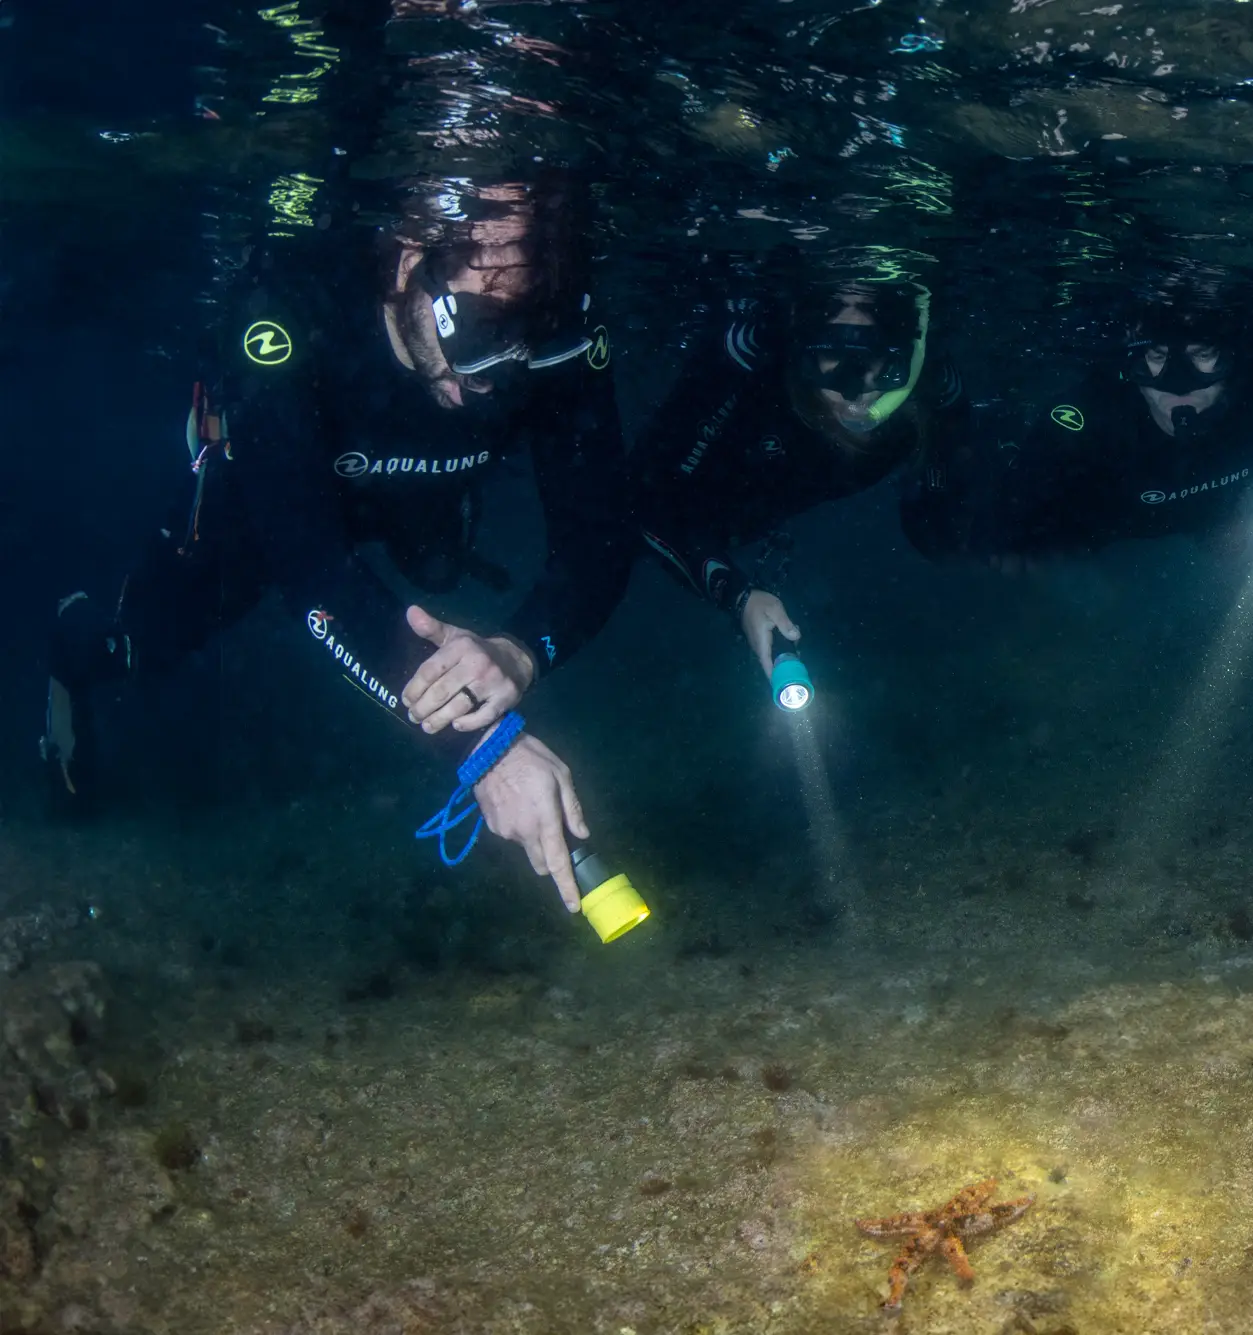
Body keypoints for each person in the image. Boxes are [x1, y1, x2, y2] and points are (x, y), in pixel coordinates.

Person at [41, 179, 631, 910]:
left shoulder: (555, 321)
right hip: (270, 499)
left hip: (423, 492)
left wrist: (520, 650)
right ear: (407, 258)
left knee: (439, 564)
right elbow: (313, 570)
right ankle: (75, 646)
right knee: (145, 642)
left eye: (526, 337)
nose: (499, 374)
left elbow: (600, 537)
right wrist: (485, 750)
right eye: (481, 331)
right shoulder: (291, 310)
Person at [632, 280, 967, 681]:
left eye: (875, 347)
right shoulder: (754, 369)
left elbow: (942, 516)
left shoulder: (929, 396)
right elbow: (647, 504)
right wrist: (738, 596)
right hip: (711, 512)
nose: (854, 384)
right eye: (832, 347)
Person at [904, 306, 1253, 564]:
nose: (1178, 386)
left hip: (1211, 520)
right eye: (1155, 357)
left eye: (1202, 356)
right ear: (1129, 361)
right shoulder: (1089, 415)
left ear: (1234, 355)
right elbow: (941, 534)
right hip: (1095, 526)